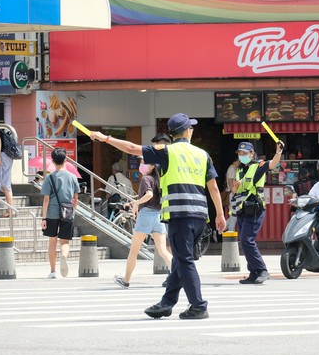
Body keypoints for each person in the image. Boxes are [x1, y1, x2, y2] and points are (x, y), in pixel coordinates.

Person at [91, 113, 226, 320]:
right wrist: (220, 214)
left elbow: (131, 149)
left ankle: (198, 305)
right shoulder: (202, 154)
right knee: (181, 260)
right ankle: (166, 303)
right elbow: (214, 187)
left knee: (184, 260)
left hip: (180, 215)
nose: (192, 129)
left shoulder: (167, 152)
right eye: (191, 127)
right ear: (187, 131)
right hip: (200, 216)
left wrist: (105, 138)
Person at [114, 158, 173, 288]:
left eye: (144, 163)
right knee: (163, 250)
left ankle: (126, 280)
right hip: (158, 216)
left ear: (152, 166)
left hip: (146, 215)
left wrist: (136, 203)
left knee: (134, 251)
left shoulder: (146, 179)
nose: (141, 165)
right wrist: (134, 202)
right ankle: (178, 274)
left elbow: (149, 195)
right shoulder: (158, 179)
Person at [230, 141, 283, 284]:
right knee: (244, 241)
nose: (242, 156)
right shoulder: (240, 170)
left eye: (245, 153)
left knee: (247, 240)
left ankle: (262, 270)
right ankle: (253, 272)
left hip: (255, 209)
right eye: (240, 154)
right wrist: (234, 187)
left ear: (252, 153)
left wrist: (278, 152)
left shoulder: (258, 166)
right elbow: (235, 191)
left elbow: (272, 164)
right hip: (242, 209)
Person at [40, 148, 80, 279]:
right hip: (67, 212)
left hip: (51, 213)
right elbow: (76, 199)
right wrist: (73, 211)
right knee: (65, 242)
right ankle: (64, 256)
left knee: (52, 242)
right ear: (65, 160)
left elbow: (46, 199)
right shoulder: (73, 177)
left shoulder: (49, 178)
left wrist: (44, 217)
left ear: (52, 161)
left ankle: (53, 271)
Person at [224, 158, 239, 231]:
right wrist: (234, 193)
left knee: (234, 215)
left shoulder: (234, 168)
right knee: (234, 215)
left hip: (233, 193)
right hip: (232, 194)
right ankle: (229, 231)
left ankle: (221, 229)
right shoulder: (232, 168)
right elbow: (230, 182)